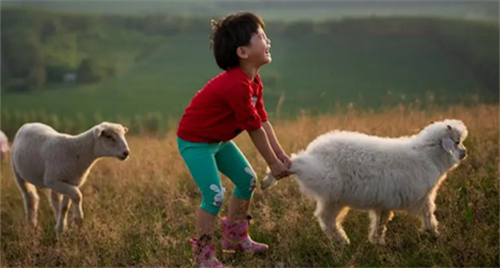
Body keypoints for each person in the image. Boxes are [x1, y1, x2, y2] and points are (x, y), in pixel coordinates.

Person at [176, 11, 291, 268]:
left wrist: (280, 155)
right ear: (243, 52)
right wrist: (272, 164)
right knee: (214, 196)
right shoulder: (236, 85)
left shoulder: (253, 82)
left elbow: (262, 121)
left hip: (218, 140)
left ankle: (236, 239)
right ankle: (203, 256)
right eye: (261, 36)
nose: (268, 41)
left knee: (246, 180)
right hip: (195, 142)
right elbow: (253, 129)